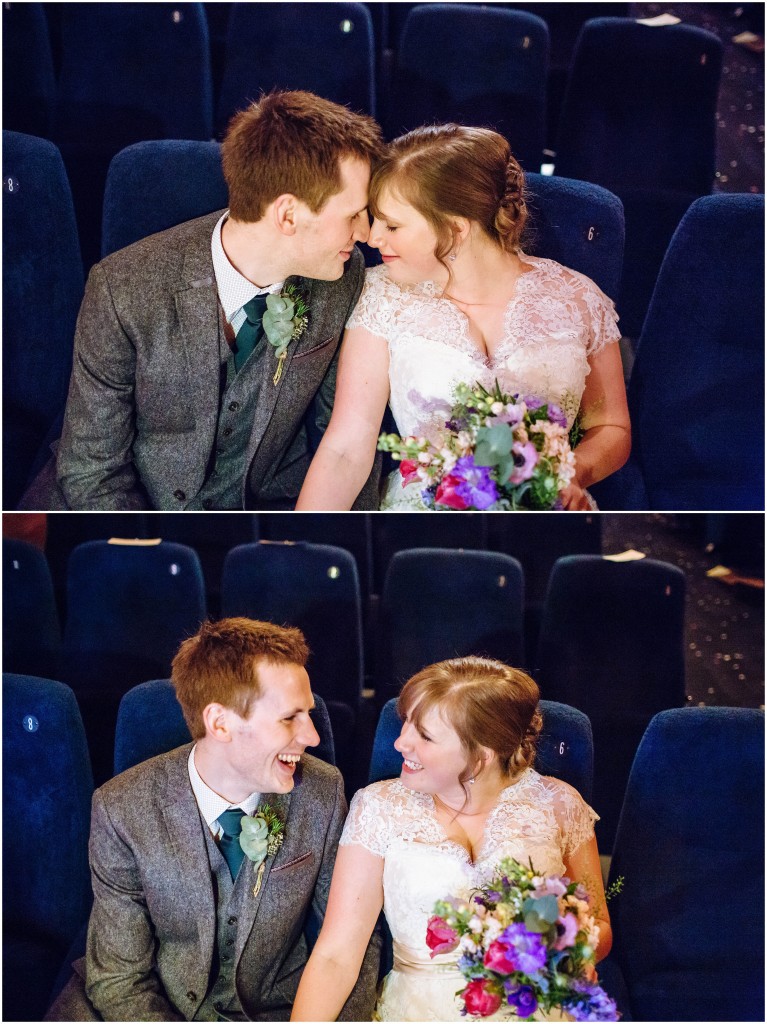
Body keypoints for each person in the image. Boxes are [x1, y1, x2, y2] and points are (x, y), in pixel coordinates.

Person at [22, 90, 384, 511]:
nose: (366, 234)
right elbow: (92, 471)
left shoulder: (342, 275)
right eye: (354, 214)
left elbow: (340, 437)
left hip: (263, 506)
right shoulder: (121, 289)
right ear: (288, 216)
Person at [47, 618, 380, 1022]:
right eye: (290, 717)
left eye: (309, 714)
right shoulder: (120, 809)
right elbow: (119, 978)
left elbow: (355, 942)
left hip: (275, 1010)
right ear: (220, 723)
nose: (312, 736)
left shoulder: (323, 793)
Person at [296, 124, 631, 511]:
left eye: (392, 225)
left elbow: (611, 427)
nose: (373, 238)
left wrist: (573, 471)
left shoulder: (577, 298)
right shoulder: (380, 296)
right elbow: (346, 448)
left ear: (455, 230)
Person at [291, 656, 612, 1022]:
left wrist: (548, 948)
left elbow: (599, 928)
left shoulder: (559, 804)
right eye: (406, 723)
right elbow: (336, 955)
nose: (400, 743)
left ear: (480, 757)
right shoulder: (377, 807)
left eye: (424, 735)